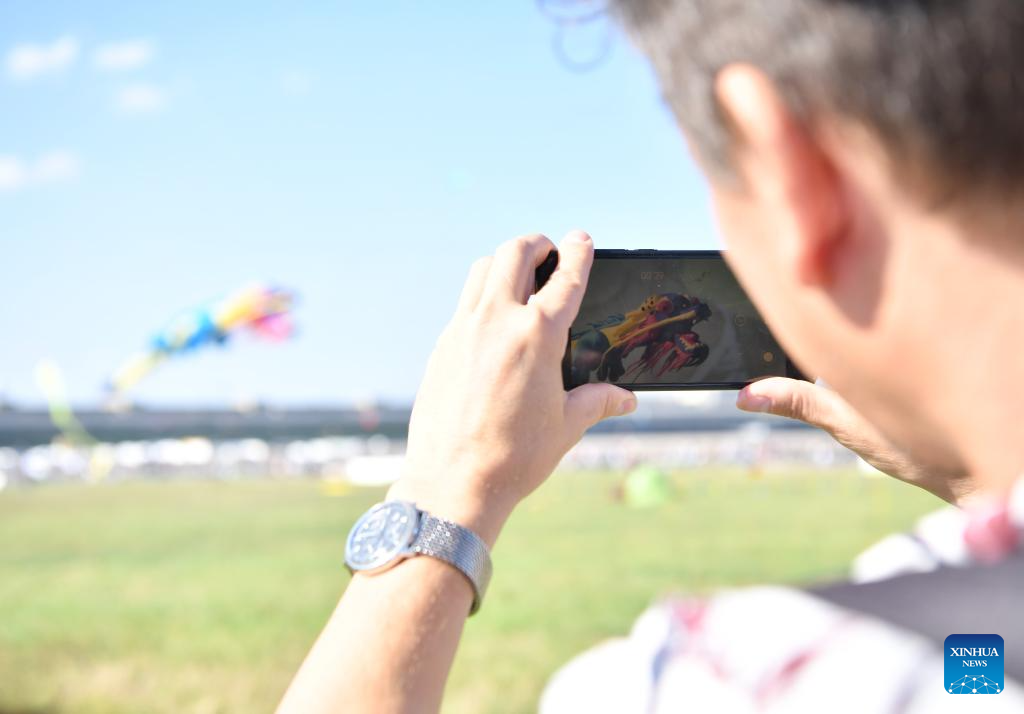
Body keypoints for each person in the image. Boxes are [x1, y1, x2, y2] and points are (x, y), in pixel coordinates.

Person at [277, 1, 1024, 711]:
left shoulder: (733, 681)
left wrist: (442, 494)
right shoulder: (968, 652)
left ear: (791, 173)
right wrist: (984, 481)